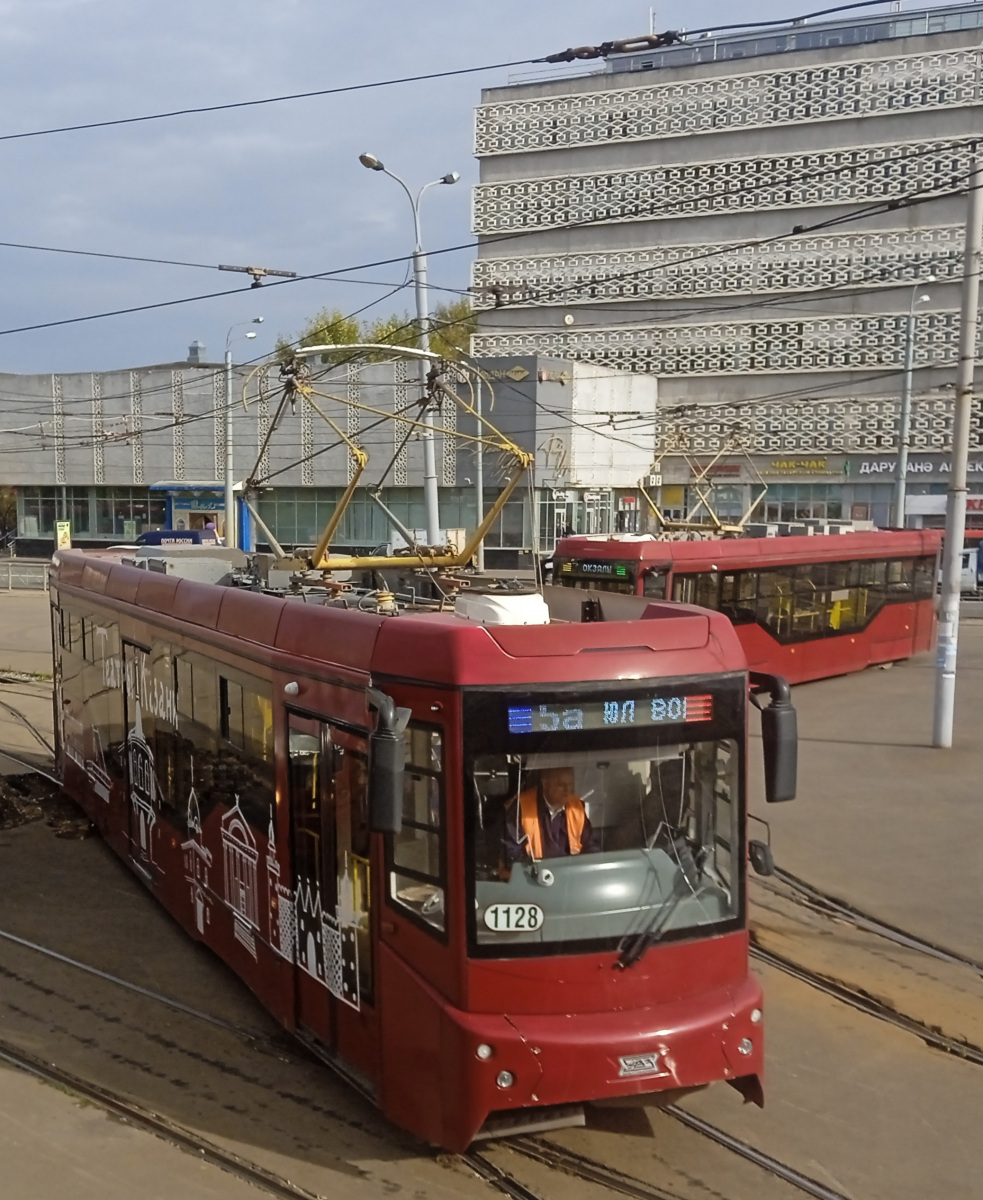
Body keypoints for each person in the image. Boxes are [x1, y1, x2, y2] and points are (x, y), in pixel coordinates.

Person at [502, 766, 599, 866]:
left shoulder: (576, 807)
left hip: (570, 873)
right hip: (534, 875)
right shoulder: (521, 807)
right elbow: (511, 852)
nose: (567, 790)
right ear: (545, 784)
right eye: (561, 785)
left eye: (570, 784)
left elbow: (591, 846)